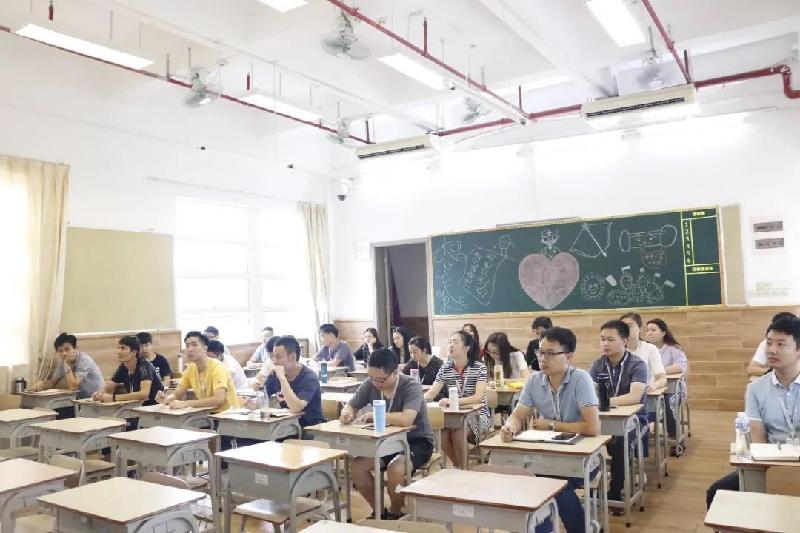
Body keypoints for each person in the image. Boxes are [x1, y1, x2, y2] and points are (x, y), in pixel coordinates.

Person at [501, 326, 600, 533]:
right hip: (545, 457)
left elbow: (593, 428)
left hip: (582, 458)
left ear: (568, 356)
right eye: (540, 352)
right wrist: (509, 427)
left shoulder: (581, 379)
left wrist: (552, 424)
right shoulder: (534, 380)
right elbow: (518, 416)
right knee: (528, 484)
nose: (542, 359)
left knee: (553, 486)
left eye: (550, 353)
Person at [706, 315, 800, 508]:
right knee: (716, 493)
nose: (772, 350)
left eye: (781, 344)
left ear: (798, 350)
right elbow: (758, 440)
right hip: (770, 462)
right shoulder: (756, 388)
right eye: (769, 343)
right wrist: (778, 472)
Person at [340, 348, 434, 520]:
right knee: (357, 466)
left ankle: (395, 513)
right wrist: (348, 412)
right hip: (386, 442)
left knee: (395, 468)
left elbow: (407, 419)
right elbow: (352, 404)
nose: (375, 383)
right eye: (372, 377)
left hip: (416, 441)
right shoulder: (371, 383)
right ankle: (379, 512)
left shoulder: (410, 386)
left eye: (380, 379)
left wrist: (376, 415)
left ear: (395, 372)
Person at [588, 320, 648, 510]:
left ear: (625, 341)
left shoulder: (637, 364)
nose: (605, 344)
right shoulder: (597, 365)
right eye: (602, 339)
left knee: (620, 442)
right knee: (585, 437)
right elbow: (589, 393)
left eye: (610, 339)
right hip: (603, 419)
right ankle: (590, 484)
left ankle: (615, 491)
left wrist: (605, 402)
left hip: (635, 420)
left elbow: (635, 397)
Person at [424, 331, 491, 468]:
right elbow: (431, 394)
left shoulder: (479, 367)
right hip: (453, 415)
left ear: (466, 348)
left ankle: (462, 470)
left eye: (455, 342)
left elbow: (478, 397)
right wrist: (416, 402)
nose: (451, 345)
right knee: (441, 434)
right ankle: (460, 467)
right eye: (450, 342)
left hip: (478, 415)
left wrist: (452, 401)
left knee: (458, 431)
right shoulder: (445, 368)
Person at [249, 335, 324, 434]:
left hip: (309, 429)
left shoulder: (309, 377)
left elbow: (296, 407)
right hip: (286, 426)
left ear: (292, 357)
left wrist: (282, 379)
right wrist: (253, 402)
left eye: (278, 357)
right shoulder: (275, 375)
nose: (274, 361)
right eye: (273, 357)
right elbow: (263, 395)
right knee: (251, 437)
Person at [155, 331, 239, 413]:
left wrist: (186, 403)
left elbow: (218, 399)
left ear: (205, 348)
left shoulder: (217, 367)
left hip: (228, 414)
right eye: (187, 346)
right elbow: (177, 394)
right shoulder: (191, 368)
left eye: (194, 345)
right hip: (208, 414)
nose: (190, 349)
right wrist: (166, 399)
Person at [32, 333, 104, 417]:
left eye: (67, 349)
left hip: (95, 400)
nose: (64, 353)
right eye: (60, 351)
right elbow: (53, 383)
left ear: (75, 348)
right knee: (53, 412)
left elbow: (74, 387)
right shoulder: (62, 361)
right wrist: (41, 384)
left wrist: (67, 364)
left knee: (62, 414)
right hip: (79, 401)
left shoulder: (84, 360)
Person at [645, 318, 688, 440]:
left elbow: (680, 366)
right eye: (647, 330)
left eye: (653, 330)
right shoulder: (646, 349)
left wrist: (658, 370)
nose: (649, 333)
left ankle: (675, 437)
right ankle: (645, 430)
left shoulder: (673, 348)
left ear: (663, 332)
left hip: (673, 389)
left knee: (668, 403)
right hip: (653, 387)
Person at [94, 336, 164, 407]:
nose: (119, 352)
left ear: (134, 352)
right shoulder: (123, 367)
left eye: (123, 348)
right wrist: (99, 394)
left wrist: (113, 398)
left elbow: (144, 394)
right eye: (118, 348)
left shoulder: (144, 365)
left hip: (153, 407)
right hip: (136, 407)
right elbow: (108, 387)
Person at [620, 313, 666, 392]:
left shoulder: (650, 349)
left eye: (630, 326)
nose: (626, 329)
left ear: (640, 328)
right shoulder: (617, 350)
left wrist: (654, 385)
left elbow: (662, 379)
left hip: (646, 394)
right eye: (622, 327)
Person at [747, 312, 796, 377]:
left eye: (780, 344)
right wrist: (773, 372)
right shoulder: (766, 344)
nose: (772, 350)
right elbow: (751, 369)